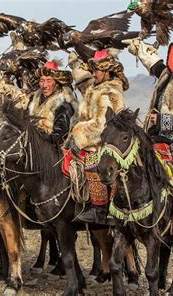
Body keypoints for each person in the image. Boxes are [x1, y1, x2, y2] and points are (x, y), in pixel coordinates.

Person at [125, 39, 173, 233]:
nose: (169, 62)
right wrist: (136, 46)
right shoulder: (167, 75)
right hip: (158, 133)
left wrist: (162, 120)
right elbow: (152, 62)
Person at [66, 49, 129, 224]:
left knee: (93, 161)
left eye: (96, 71)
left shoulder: (109, 93)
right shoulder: (96, 90)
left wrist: (79, 136)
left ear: (106, 72)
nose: (93, 74)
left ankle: (100, 209)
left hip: (106, 141)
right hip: (92, 138)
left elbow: (101, 125)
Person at [28, 60, 78, 145]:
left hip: (52, 152)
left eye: (49, 80)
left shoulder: (63, 105)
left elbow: (58, 138)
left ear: (57, 83)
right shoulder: (33, 100)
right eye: (42, 80)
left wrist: (36, 137)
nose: (44, 85)